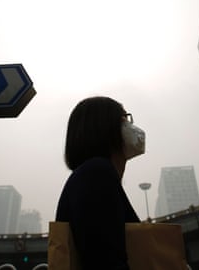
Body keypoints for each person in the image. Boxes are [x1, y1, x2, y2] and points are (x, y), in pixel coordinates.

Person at [55, 96, 146, 269]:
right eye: (125, 120)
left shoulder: (91, 175)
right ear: (106, 127)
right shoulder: (96, 173)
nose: (131, 127)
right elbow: (107, 262)